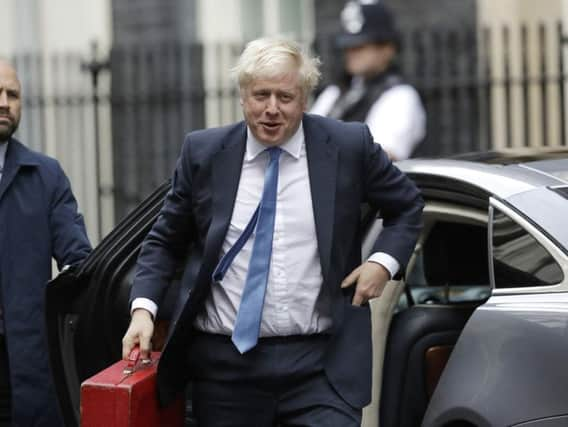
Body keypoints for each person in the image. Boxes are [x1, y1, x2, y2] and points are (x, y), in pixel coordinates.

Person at [122, 37, 423, 426]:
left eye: (285, 96)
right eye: (260, 95)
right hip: (224, 373)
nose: (271, 110)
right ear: (242, 96)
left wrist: (382, 263)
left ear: (305, 99)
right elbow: (164, 242)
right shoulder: (204, 153)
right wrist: (143, 311)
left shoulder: (348, 146)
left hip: (321, 369)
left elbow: (407, 205)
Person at [0, 59, 91, 426]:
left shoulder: (45, 175)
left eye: (13, 94)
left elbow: (78, 258)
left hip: (28, 366)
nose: (5, 102)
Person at [311, 0, 426, 161]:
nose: (352, 52)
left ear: (387, 48)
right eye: (348, 46)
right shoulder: (337, 92)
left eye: (361, 46)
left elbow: (377, 157)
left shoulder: (400, 96)